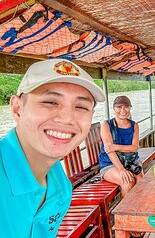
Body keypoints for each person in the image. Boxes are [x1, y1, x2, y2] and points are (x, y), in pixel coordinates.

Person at [0, 59, 105, 237]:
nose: (66, 118)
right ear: (18, 108)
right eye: (50, 102)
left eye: (81, 106)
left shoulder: (60, 185)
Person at [99, 95, 142, 199]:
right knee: (128, 182)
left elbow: (135, 148)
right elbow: (109, 151)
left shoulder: (134, 125)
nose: (123, 110)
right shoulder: (106, 125)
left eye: (126, 107)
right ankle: (122, 213)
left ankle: (136, 208)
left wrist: (115, 146)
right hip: (110, 164)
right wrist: (121, 169)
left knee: (141, 180)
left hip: (130, 161)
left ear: (130, 108)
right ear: (114, 109)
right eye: (119, 107)